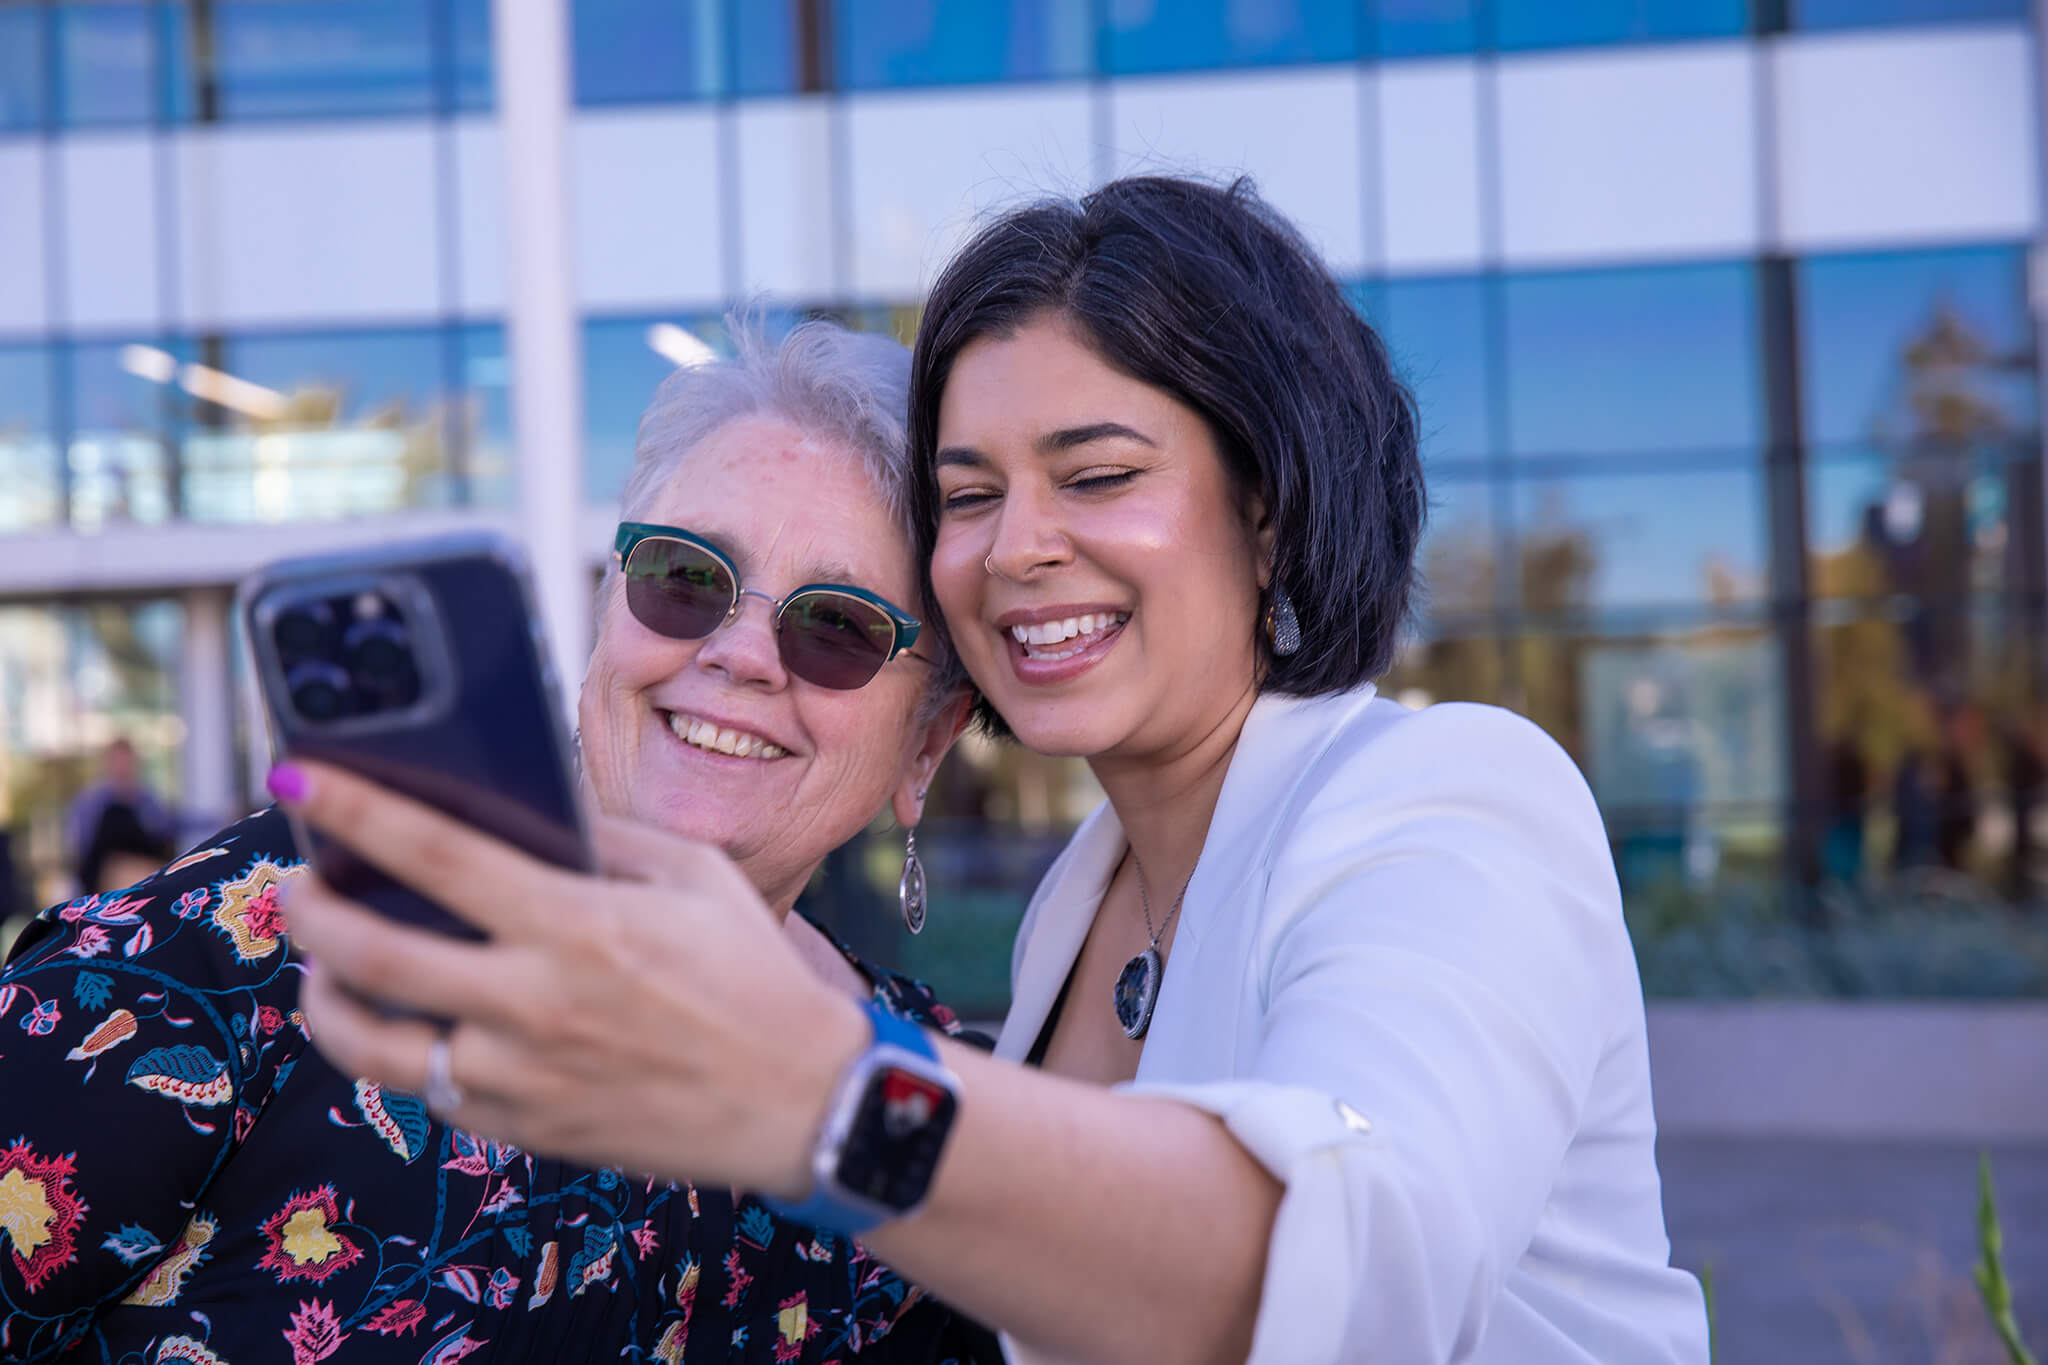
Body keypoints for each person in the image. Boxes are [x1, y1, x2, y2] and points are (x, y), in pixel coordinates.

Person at [278, 177, 1710, 1364]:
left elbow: (1353, 1278)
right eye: (968, 495)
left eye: (1097, 476)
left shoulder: (1453, 794)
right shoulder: (1069, 920)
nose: (1016, 546)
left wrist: (815, 1091)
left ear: (1269, 509)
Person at [0, 321, 998, 1363]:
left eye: (838, 626)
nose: (739, 653)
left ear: (925, 743)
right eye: (686, 578)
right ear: (607, 614)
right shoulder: (270, 930)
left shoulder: (927, 1112)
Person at [63, 736, 175, 891]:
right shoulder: (91, 801)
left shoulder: (146, 798)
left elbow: (166, 827)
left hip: (140, 863)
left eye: (127, 762)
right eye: (118, 761)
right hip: (105, 869)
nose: (123, 767)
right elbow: (81, 846)